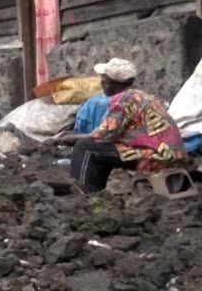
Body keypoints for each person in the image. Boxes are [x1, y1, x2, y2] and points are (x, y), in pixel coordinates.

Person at [55, 59, 185, 192]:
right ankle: (96, 193)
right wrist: (76, 135)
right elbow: (110, 132)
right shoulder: (141, 96)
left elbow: (103, 134)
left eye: (104, 80)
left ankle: (82, 193)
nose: (101, 83)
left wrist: (72, 138)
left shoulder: (123, 100)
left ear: (111, 83)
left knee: (85, 147)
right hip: (173, 154)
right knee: (100, 149)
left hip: (158, 156)